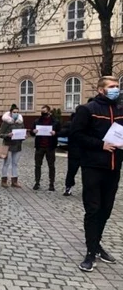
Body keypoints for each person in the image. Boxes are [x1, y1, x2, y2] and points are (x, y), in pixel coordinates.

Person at [71, 76, 123, 272]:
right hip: (93, 167)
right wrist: (101, 144)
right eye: (111, 87)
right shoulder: (88, 109)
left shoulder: (120, 109)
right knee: (93, 209)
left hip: (114, 167)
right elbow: (76, 135)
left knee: (106, 209)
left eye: (117, 86)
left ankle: (97, 244)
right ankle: (90, 252)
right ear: (101, 90)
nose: (115, 89)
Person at [30, 105, 61, 191]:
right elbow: (31, 132)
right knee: (37, 165)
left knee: (51, 166)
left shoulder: (55, 121)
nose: (43, 113)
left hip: (50, 147)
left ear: (49, 112)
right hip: (39, 146)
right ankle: (37, 182)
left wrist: (55, 133)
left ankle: (51, 184)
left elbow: (60, 132)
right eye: (42, 111)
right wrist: (33, 131)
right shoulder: (37, 121)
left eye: (45, 112)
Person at [0, 104, 25, 188]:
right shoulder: (6, 122)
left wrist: (24, 136)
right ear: (10, 113)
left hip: (18, 145)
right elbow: (0, 134)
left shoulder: (20, 122)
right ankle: (4, 180)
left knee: (15, 164)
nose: (16, 114)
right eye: (14, 112)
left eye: (17, 112)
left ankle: (14, 181)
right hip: (8, 145)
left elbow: (22, 132)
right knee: (6, 163)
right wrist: (7, 135)